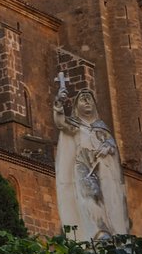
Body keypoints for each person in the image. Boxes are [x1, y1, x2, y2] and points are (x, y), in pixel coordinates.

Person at [53, 84, 131, 240]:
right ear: (77, 106)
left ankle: (112, 230)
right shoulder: (74, 125)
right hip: (83, 164)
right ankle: (99, 231)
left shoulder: (102, 128)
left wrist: (108, 147)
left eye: (89, 99)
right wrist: (59, 102)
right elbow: (60, 122)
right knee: (90, 195)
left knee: (107, 198)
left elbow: (111, 144)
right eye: (83, 99)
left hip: (103, 168)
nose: (87, 102)